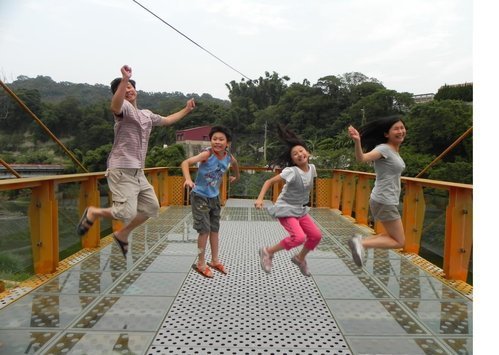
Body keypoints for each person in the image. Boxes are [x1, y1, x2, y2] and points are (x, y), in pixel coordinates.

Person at [76, 64, 196, 258]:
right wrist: (123, 80)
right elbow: (114, 105)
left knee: (151, 208)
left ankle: (123, 234)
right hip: (121, 169)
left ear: (136, 91)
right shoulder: (122, 110)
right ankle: (93, 213)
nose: (128, 90)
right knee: (126, 213)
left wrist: (186, 110)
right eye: (124, 89)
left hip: (138, 171)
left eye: (131, 87)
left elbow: (166, 120)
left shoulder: (146, 114)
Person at [255, 125, 322, 277]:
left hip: (300, 209)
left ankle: (300, 258)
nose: (299, 154)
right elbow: (269, 182)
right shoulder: (291, 171)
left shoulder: (312, 168)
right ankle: (267, 252)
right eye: (295, 154)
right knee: (298, 238)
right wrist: (260, 199)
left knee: (316, 236)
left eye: (301, 151)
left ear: (308, 152)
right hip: (285, 208)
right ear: (292, 160)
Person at [347, 115, 407, 267]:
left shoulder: (393, 150)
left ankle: (359, 242)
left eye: (402, 128)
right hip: (384, 200)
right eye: (396, 129)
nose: (401, 131)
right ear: (387, 134)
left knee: (389, 235)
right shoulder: (384, 149)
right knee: (399, 241)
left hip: (384, 199)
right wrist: (357, 142)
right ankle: (361, 244)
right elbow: (362, 158)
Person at [181, 126, 240, 278]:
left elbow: (235, 164)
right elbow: (185, 163)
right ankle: (201, 263)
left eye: (221, 139)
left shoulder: (228, 157)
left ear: (228, 143)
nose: (217, 142)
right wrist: (188, 179)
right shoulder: (207, 154)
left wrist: (236, 176)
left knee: (215, 230)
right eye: (214, 139)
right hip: (200, 196)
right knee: (204, 230)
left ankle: (214, 261)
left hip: (214, 197)